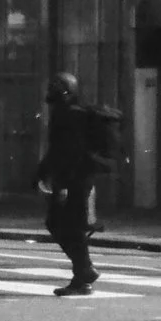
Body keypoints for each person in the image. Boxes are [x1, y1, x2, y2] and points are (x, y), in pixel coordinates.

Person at [33, 72, 116, 296]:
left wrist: (55, 180)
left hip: (73, 179)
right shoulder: (70, 113)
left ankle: (84, 271)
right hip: (80, 177)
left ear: (66, 90)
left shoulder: (67, 116)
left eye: (55, 87)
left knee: (62, 224)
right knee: (70, 225)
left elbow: (63, 152)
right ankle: (82, 275)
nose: (50, 91)